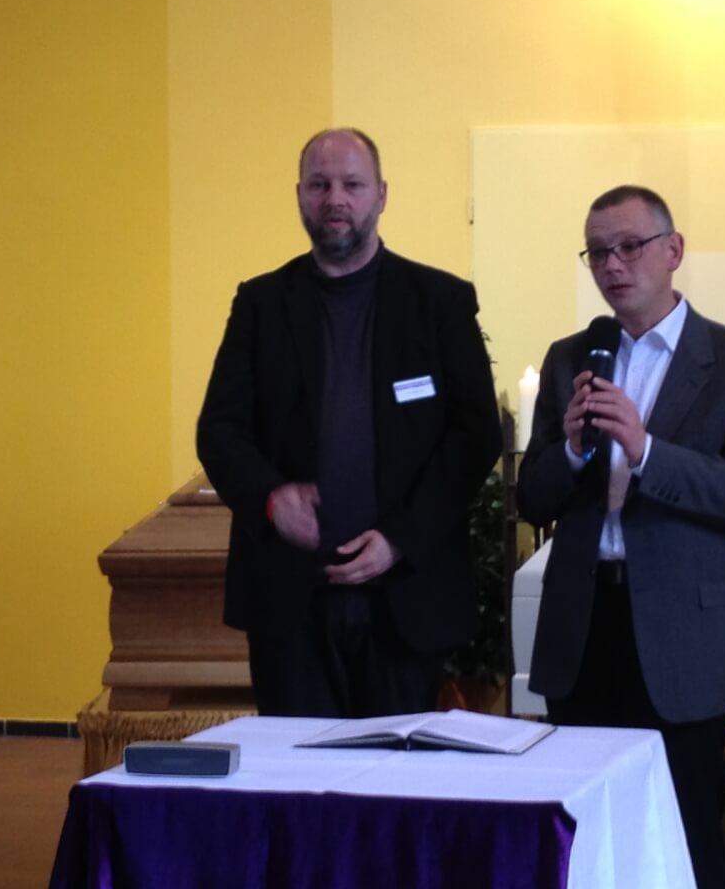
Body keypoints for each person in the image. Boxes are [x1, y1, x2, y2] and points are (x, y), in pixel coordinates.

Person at [517, 185, 725, 889]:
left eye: (629, 246)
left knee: (683, 830)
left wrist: (646, 452)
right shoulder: (571, 358)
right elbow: (532, 497)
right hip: (583, 626)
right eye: (597, 252)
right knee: (583, 828)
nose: (612, 264)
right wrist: (570, 449)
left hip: (679, 635)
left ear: (674, 251)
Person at [197, 127, 502, 719]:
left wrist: (400, 538)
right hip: (290, 602)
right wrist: (269, 498)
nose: (335, 198)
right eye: (319, 184)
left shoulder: (439, 302)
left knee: (397, 769)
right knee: (298, 769)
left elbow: (475, 436)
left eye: (352, 185)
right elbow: (220, 430)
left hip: (405, 598)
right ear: (299, 195)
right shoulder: (260, 304)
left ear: (381, 194)